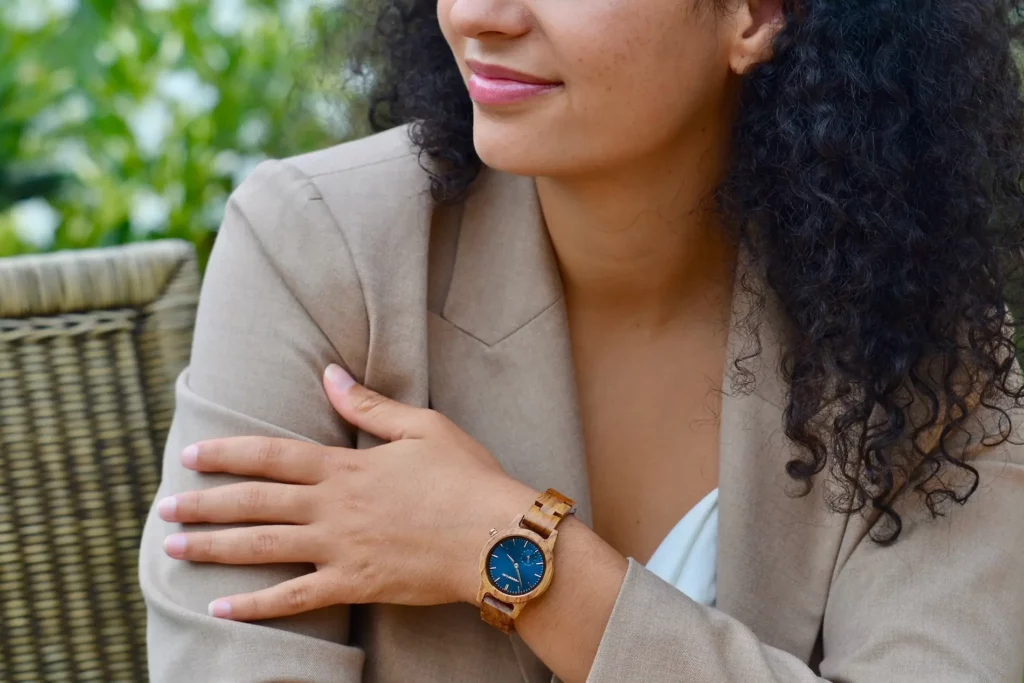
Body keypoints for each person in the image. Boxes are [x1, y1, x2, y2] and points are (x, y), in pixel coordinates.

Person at [138, 0, 1024, 680]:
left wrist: (504, 547)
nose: (480, 14)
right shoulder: (323, 247)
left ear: (759, 14)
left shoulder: (922, 339)